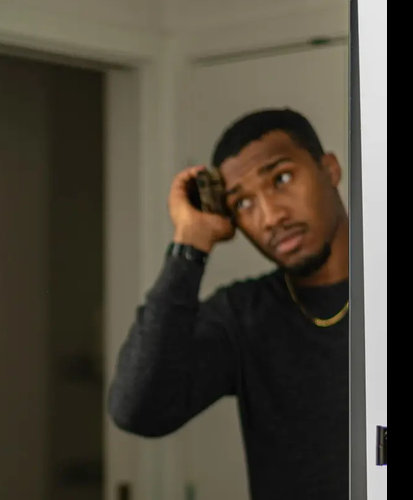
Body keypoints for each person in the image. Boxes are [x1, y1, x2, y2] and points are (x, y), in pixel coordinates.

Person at [108, 108, 349, 499]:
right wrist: (190, 242)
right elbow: (137, 409)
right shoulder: (243, 317)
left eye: (282, 179)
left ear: (330, 169)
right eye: (243, 204)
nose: (270, 217)